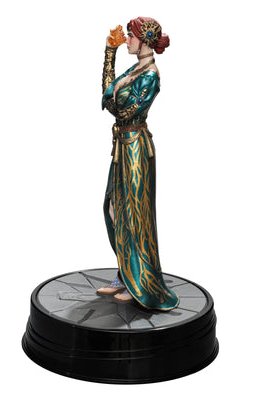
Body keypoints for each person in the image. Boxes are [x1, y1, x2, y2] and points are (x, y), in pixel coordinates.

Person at [97, 17, 179, 311]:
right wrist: (109, 53)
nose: (127, 41)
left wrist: (112, 99)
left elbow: (123, 110)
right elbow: (108, 96)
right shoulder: (134, 71)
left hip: (136, 149)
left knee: (135, 215)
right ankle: (125, 274)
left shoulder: (151, 75)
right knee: (112, 208)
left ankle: (141, 283)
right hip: (121, 147)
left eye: (130, 36)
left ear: (143, 40)